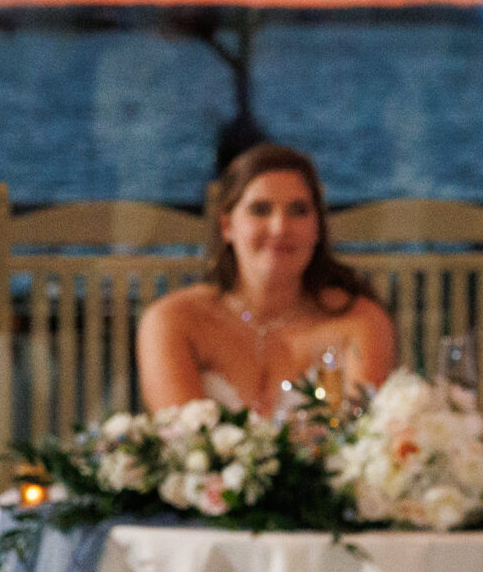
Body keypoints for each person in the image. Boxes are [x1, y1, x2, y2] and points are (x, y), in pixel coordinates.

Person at [138, 143, 394, 416]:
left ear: (317, 227)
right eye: (260, 209)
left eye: (298, 210)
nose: (280, 228)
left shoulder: (360, 321)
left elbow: (364, 434)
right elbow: (181, 435)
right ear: (227, 225)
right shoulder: (173, 321)